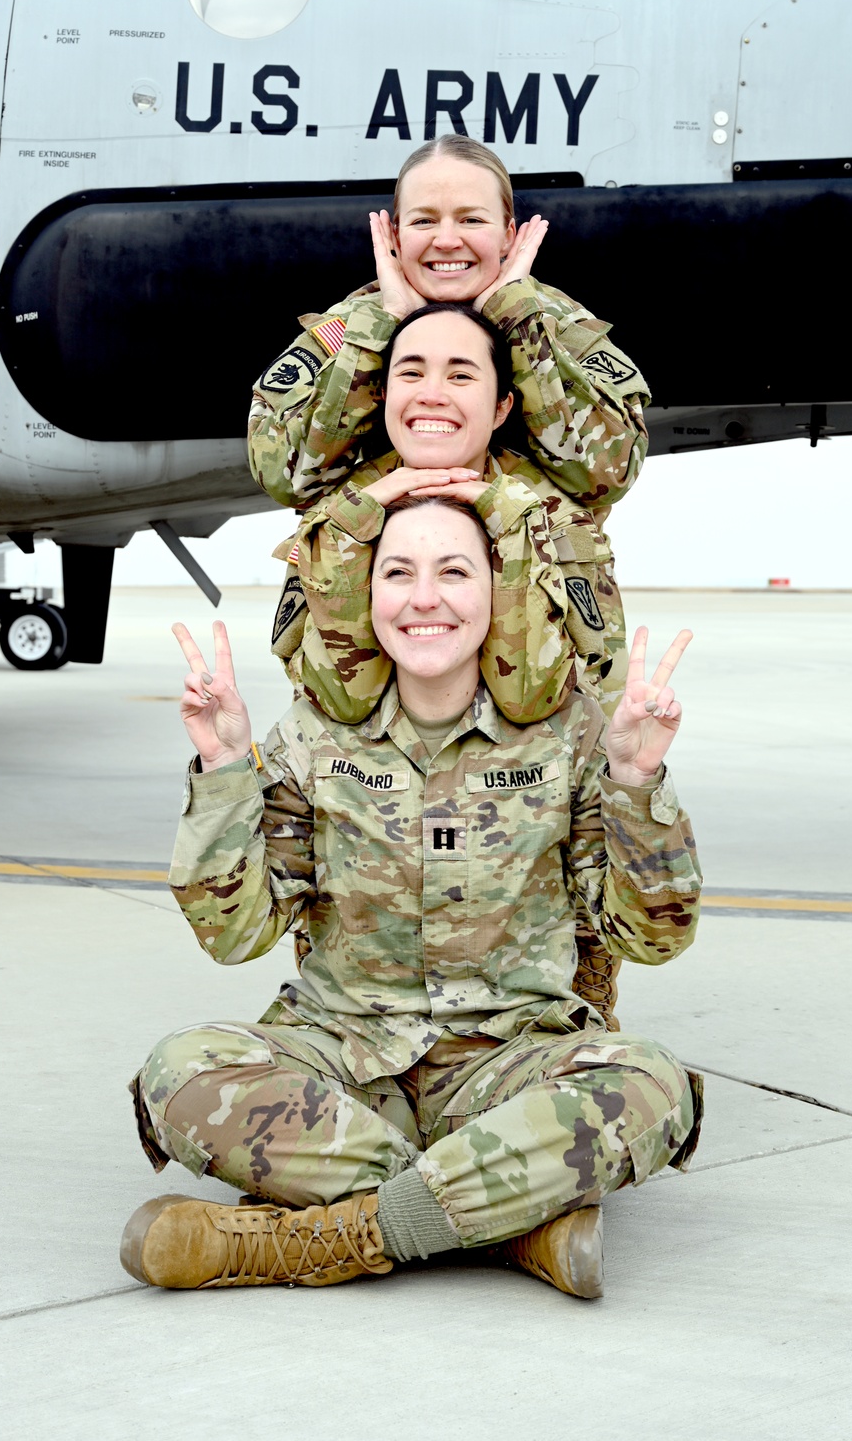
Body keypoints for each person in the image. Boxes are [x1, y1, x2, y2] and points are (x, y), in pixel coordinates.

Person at [121, 495, 702, 1300]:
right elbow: (235, 934)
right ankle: (511, 1224)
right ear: (370, 595)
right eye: (399, 571)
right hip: (344, 1063)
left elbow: (652, 936)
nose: (424, 595)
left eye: (454, 571)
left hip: (509, 1063)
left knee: (651, 1083)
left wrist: (636, 782)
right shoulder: (313, 737)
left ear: (495, 595)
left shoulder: (571, 735)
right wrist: (223, 770)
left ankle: (297, 1242)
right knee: (178, 1071)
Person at [249, 135, 651, 720]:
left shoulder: (555, 327)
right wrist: (382, 332)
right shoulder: (351, 330)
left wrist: (515, 318)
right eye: (423, 220)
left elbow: (606, 472)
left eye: (472, 219)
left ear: (510, 234)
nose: (446, 240)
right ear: (392, 235)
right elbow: (283, 472)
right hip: (384, 625)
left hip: (535, 602)